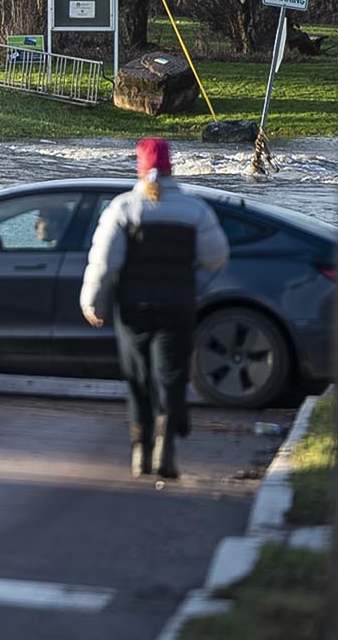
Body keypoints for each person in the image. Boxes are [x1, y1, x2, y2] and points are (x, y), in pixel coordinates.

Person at [80, 137, 229, 478]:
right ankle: (166, 445)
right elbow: (215, 257)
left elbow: (104, 262)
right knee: (172, 375)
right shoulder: (195, 210)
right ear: (171, 167)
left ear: (140, 166)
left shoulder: (124, 208)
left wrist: (92, 301)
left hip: (133, 306)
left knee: (138, 377)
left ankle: (140, 452)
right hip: (178, 305)